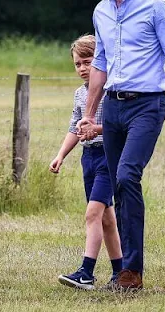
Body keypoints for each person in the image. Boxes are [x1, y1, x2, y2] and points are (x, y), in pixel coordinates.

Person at [77, 0, 165, 290]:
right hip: (113, 106)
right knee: (119, 186)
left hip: (147, 105)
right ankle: (124, 272)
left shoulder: (156, 5)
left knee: (127, 175)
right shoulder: (100, 11)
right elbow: (100, 64)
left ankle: (132, 269)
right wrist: (90, 113)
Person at [50, 34, 123, 290]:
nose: (82, 68)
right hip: (88, 159)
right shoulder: (80, 94)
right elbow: (75, 126)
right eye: (78, 64)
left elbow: (118, 127)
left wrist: (97, 130)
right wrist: (61, 155)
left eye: (87, 62)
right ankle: (119, 272)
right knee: (106, 219)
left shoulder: (112, 90)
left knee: (93, 213)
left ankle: (86, 273)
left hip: (108, 157)